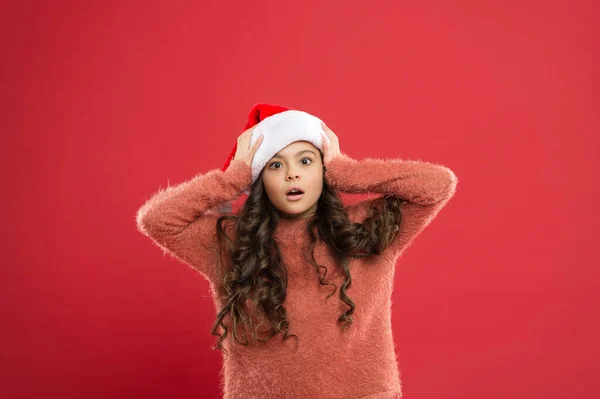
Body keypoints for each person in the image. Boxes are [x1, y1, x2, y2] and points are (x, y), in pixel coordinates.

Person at [136, 103, 458, 399]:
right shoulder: (234, 241)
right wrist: (231, 178)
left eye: (306, 160)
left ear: (323, 169)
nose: (292, 173)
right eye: (275, 165)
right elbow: (156, 220)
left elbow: (438, 185)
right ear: (259, 178)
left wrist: (348, 172)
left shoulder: (364, 228)